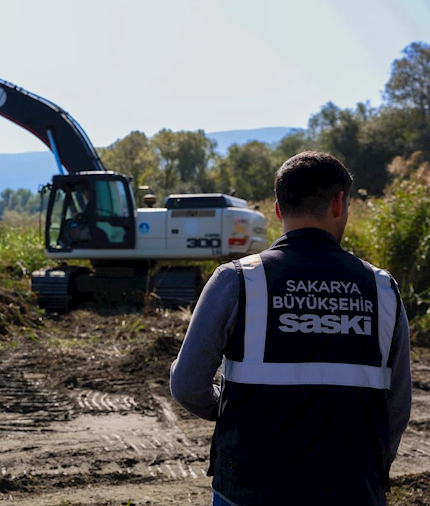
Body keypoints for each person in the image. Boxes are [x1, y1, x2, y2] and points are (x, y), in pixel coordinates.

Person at [170, 151, 411, 506]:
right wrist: (373, 469)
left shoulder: (237, 279)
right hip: (353, 488)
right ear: (339, 203)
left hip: (249, 488)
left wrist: (227, 407)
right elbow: (398, 406)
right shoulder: (382, 288)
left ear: (278, 209)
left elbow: (187, 384)